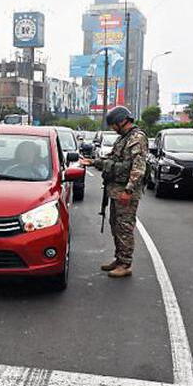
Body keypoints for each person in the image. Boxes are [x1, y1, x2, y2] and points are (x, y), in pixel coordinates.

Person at [79, 105, 148, 278]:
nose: (112, 129)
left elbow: (138, 168)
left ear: (121, 121)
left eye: (113, 125)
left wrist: (128, 191)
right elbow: (111, 158)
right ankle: (119, 258)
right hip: (116, 189)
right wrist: (93, 162)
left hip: (125, 191)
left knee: (124, 227)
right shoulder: (123, 138)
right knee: (115, 225)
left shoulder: (137, 138)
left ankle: (125, 263)